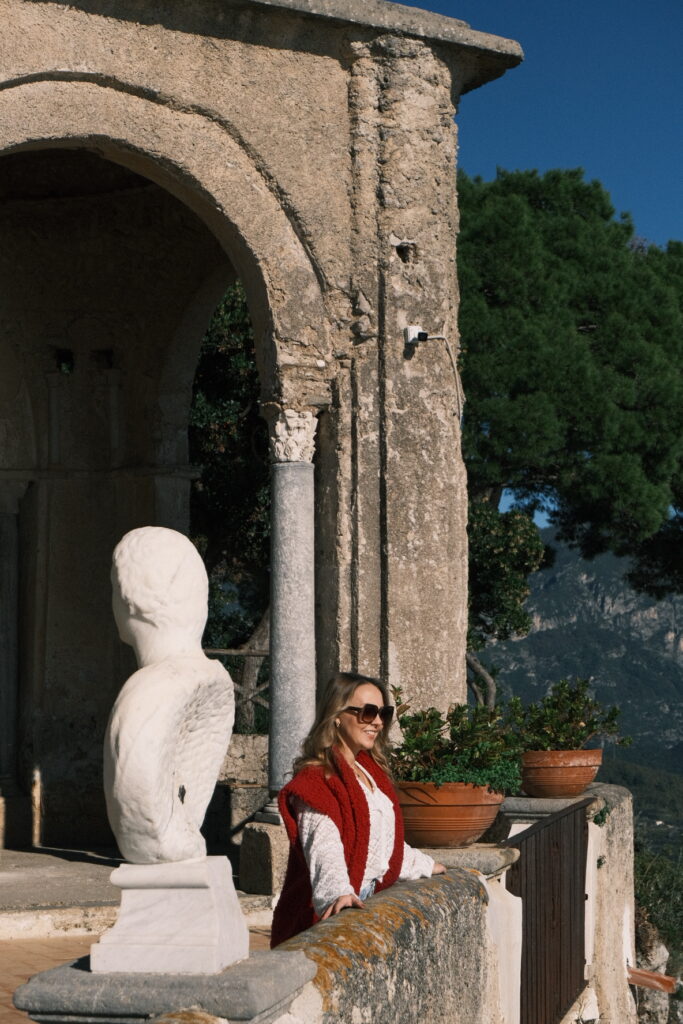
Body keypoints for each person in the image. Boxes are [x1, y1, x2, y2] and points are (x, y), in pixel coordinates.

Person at [271, 672, 446, 946]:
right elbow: (323, 842)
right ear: (337, 715)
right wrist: (337, 893)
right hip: (331, 910)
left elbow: (379, 843)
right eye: (367, 712)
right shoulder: (316, 780)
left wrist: (422, 864)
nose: (377, 722)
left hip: (368, 897)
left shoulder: (367, 771)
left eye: (383, 713)